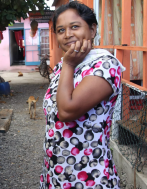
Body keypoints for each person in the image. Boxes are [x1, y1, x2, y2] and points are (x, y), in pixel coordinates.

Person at [40, 2, 125, 189]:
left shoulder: (105, 66)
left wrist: (69, 64)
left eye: (75, 27)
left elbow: (67, 111)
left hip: (88, 175)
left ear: (93, 29)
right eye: (61, 30)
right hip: (57, 171)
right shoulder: (65, 65)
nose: (67, 34)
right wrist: (68, 65)